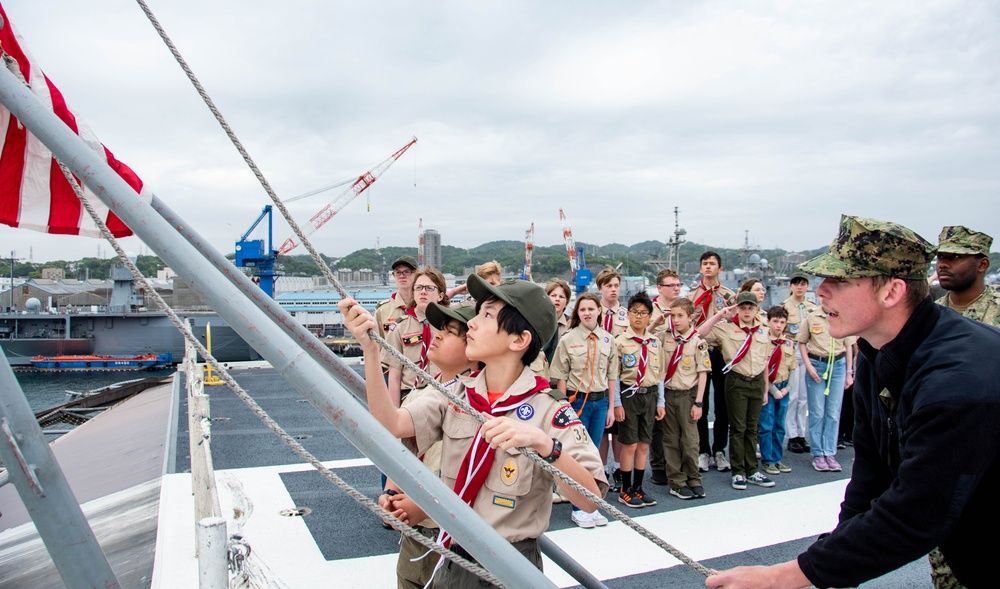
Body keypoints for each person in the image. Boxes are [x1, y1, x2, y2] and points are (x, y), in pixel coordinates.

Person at [706, 214, 1000, 589]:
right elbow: (871, 477)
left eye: (839, 280)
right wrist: (829, 573)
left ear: (891, 292)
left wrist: (784, 577)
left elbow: (915, 514)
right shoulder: (881, 351)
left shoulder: (960, 379)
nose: (821, 290)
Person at [340, 275, 608, 589]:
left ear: (519, 340)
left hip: (510, 567)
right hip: (451, 559)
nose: (472, 324)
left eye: (487, 315)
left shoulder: (550, 411)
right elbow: (391, 424)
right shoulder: (456, 394)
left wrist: (546, 445)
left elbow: (590, 500)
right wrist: (370, 352)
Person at [379, 303, 479, 589]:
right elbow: (402, 456)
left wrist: (425, 507)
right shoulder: (422, 393)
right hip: (415, 531)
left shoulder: (478, 405)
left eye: (449, 333)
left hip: (455, 534)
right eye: (439, 329)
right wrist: (390, 492)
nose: (436, 336)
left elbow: (473, 475)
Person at [549, 292, 619, 527]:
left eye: (591, 309)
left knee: (595, 455)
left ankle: (592, 505)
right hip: (576, 402)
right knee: (577, 456)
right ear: (577, 314)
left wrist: (611, 407)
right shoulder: (568, 339)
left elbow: (611, 377)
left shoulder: (608, 340)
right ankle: (577, 507)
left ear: (599, 310)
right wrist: (564, 407)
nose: (587, 313)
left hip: (600, 404)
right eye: (582, 310)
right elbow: (560, 376)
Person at [705, 291, 774, 490]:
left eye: (750, 308)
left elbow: (765, 360)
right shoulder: (726, 329)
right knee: (738, 428)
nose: (746, 311)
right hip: (736, 381)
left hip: (757, 382)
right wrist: (720, 315)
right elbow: (700, 332)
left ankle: (752, 469)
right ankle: (738, 471)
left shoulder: (763, 330)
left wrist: (765, 388)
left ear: (756, 309)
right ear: (737, 309)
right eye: (742, 307)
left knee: (753, 428)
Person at [612, 291, 665, 508]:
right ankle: (625, 488)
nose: (639, 317)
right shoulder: (620, 342)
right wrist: (616, 403)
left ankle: (638, 486)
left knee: (644, 444)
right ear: (628, 314)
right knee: (630, 444)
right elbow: (614, 375)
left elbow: (660, 374)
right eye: (635, 312)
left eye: (644, 313)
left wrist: (661, 402)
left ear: (650, 316)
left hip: (650, 394)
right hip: (629, 395)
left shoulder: (654, 342)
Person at [796, 285, 855, 473]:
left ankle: (830, 453)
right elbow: (802, 342)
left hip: (837, 366)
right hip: (817, 365)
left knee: (833, 412)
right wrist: (809, 366)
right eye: (823, 297)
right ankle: (818, 454)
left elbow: (848, 347)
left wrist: (849, 372)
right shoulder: (811, 316)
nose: (826, 300)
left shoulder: (842, 316)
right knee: (817, 411)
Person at [687, 251, 736, 474]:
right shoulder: (691, 296)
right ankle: (703, 451)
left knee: (723, 405)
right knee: (701, 404)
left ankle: (720, 450)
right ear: (700, 269)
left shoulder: (729, 296)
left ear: (720, 269)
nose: (708, 267)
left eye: (712, 264)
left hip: (722, 353)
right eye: (704, 263)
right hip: (701, 352)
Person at [657, 298, 710, 499]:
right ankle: (677, 481)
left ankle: (693, 477)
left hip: (688, 396)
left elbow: (703, 373)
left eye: (680, 316)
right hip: (669, 394)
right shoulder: (665, 337)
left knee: (690, 440)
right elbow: (649, 339)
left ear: (691, 317)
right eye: (673, 316)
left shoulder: (697, 342)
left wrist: (699, 402)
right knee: (670, 439)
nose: (676, 320)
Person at [382, 267, 448, 407]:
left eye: (429, 288)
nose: (423, 291)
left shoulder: (450, 326)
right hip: (411, 396)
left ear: (440, 295)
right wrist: (396, 413)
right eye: (418, 288)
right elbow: (394, 375)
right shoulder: (400, 327)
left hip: (444, 393)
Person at [781, 270, 818, 455]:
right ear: (791, 286)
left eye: (803, 283)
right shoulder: (785, 307)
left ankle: (801, 434)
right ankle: (792, 435)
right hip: (792, 352)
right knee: (793, 396)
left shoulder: (812, 307)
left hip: (809, 352)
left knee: (804, 398)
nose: (800, 287)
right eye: (796, 283)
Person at [934, 225, 1000, 326]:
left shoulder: (996, 309)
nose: (943, 264)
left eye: (956, 256)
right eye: (940, 256)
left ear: (982, 265)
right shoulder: (931, 313)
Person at [758, 306, 796, 476]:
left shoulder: (788, 343)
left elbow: (792, 368)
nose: (778, 325)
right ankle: (767, 460)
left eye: (782, 322)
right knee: (766, 424)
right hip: (769, 388)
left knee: (780, 426)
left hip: (784, 388)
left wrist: (788, 388)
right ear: (768, 321)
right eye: (775, 321)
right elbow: (761, 368)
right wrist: (773, 390)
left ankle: (777, 458)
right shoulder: (763, 342)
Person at [374, 256, 418, 339]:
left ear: (417, 274)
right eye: (398, 272)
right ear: (394, 275)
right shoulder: (382, 310)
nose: (402, 276)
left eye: (407, 272)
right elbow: (376, 343)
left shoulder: (425, 307)